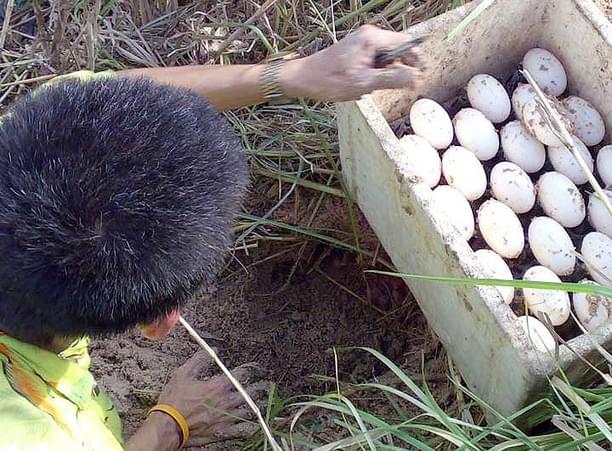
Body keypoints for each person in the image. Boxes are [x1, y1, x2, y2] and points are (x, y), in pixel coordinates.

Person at [0, 25, 423, 450]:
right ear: (163, 320)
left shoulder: (34, 139)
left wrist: (295, 75)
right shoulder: (53, 438)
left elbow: (131, 97)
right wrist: (170, 425)